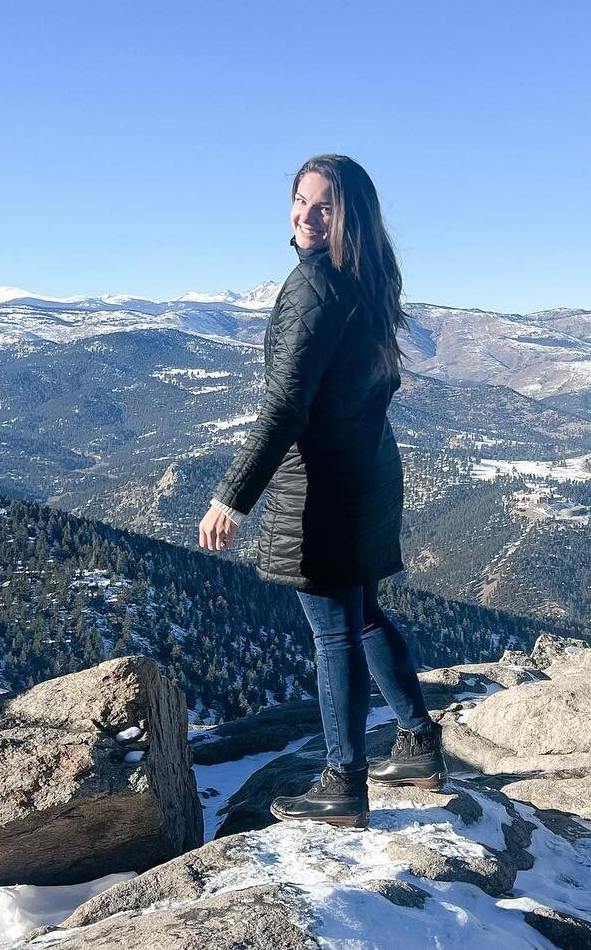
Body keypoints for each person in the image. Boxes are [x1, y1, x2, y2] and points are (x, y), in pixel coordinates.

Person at [197, 154, 445, 828]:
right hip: (367, 472)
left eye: (324, 206)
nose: (305, 216)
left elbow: (285, 406)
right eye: (299, 201)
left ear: (349, 217)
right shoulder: (369, 277)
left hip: (324, 486)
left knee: (334, 633)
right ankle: (418, 744)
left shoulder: (314, 285)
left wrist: (231, 497)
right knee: (363, 615)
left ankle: (342, 783)